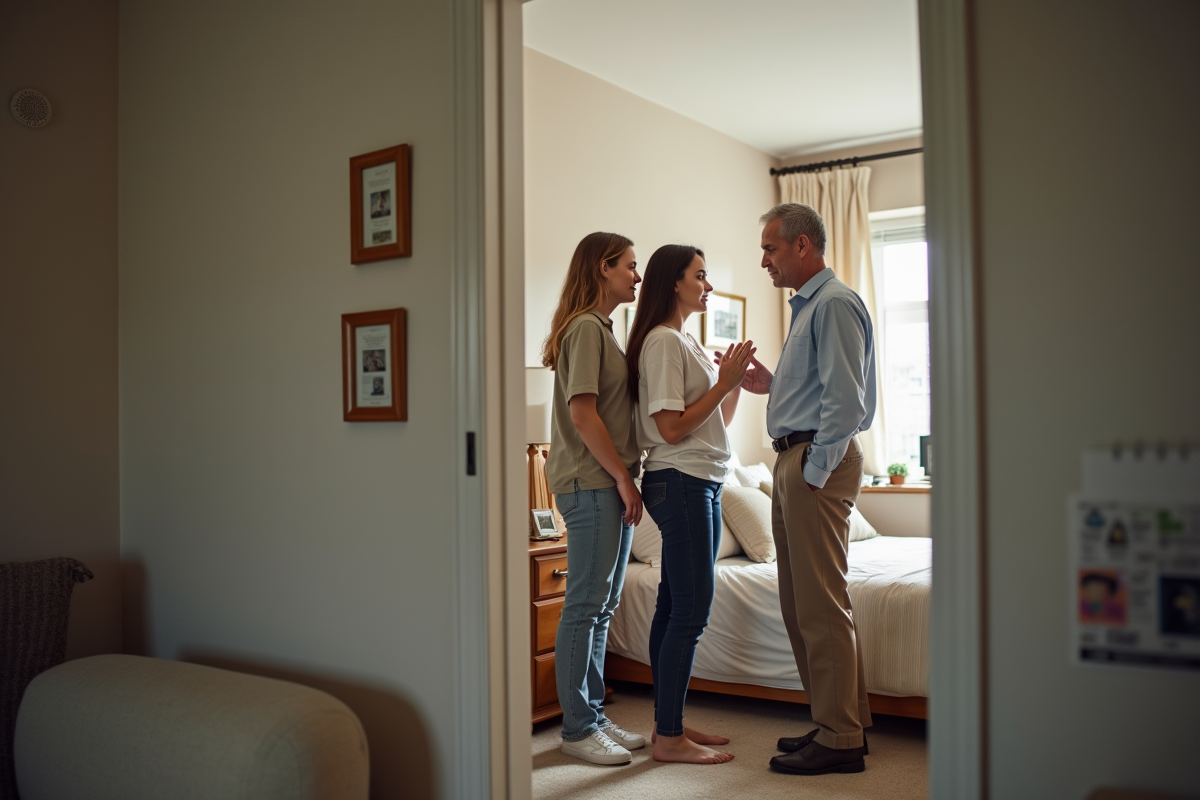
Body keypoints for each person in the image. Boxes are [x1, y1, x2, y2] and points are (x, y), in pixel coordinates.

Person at [740, 203, 877, 776]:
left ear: (803, 246)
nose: (763, 259)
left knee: (820, 604)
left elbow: (846, 404)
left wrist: (813, 471)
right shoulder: (807, 310)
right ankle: (837, 722)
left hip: (812, 464)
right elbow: (820, 389)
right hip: (792, 461)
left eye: (771, 248)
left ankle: (840, 738)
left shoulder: (835, 303)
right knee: (802, 604)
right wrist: (775, 387)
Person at [626, 244, 754, 765]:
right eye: (700, 276)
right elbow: (671, 428)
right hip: (679, 480)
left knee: (674, 605)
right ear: (673, 283)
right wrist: (723, 381)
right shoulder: (661, 342)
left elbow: (714, 417)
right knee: (693, 608)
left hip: (697, 480)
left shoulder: (686, 342)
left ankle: (666, 724)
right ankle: (670, 736)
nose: (708, 285)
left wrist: (733, 383)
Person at [543, 231, 646, 766]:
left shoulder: (604, 331)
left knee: (602, 607)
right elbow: (583, 415)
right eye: (630, 265)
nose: (637, 275)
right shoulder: (585, 328)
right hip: (591, 482)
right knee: (584, 605)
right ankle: (577, 729)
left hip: (609, 480)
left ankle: (594, 714)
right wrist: (624, 480)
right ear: (603, 268)